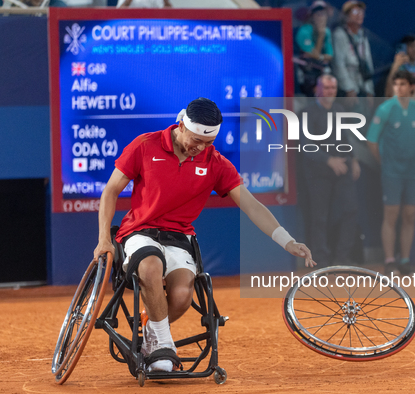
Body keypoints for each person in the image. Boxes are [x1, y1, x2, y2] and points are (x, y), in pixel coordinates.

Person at [94, 98, 315, 373]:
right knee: (151, 266)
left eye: (207, 143)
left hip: (179, 238)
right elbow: (110, 191)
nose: (200, 147)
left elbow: (251, 205)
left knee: (182, 294)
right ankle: (163, 346)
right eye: (196, 139)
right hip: (139, 232)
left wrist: (287, 240)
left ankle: (152, 330)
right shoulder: (145, 145)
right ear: (182, 125)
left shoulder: (216, 163)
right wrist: (104, 238)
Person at [366, 70, 415, 275]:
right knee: (390, 215)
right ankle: (390, 262)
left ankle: (405, 261)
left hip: (413, 172)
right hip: (392, 172)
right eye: (396, 84)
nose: (398, 88)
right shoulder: (385, 109)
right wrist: (385, 164)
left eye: (403, 84)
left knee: (410, 215)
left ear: (411, 87)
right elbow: (372, 140)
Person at [300, 74, 360, 265]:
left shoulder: (339, 110)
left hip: (342, 169)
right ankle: (321, 262)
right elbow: (305, 145)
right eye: (326, 88)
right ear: (317, 89)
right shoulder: (306, 113)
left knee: (350, 211)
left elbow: (346, 141)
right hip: (317, 173)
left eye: (333, 88)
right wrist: (328, 160)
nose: (329, 92)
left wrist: (355, 160)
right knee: (319, 217)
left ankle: (342, 257)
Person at [331, 0, 374, 100]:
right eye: (355, 12)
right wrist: (349, 89)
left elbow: (368, 63)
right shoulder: (339, 35)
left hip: (362, 86)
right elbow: (339, 65)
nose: (359, 15)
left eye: (361, 12)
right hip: (349, 90)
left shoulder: (363, 35)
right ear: (346, 16)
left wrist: (369, 90)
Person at [294, 0, 334, 97]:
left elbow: (330, 55)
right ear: (312, 16)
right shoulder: (304, 31)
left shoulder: (327, 31)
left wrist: (320, 56)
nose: (321, 17)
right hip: (306, 76)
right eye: (318, 14)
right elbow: (314, 55)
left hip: (322, 73)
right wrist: (320, 35)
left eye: (323, 14)